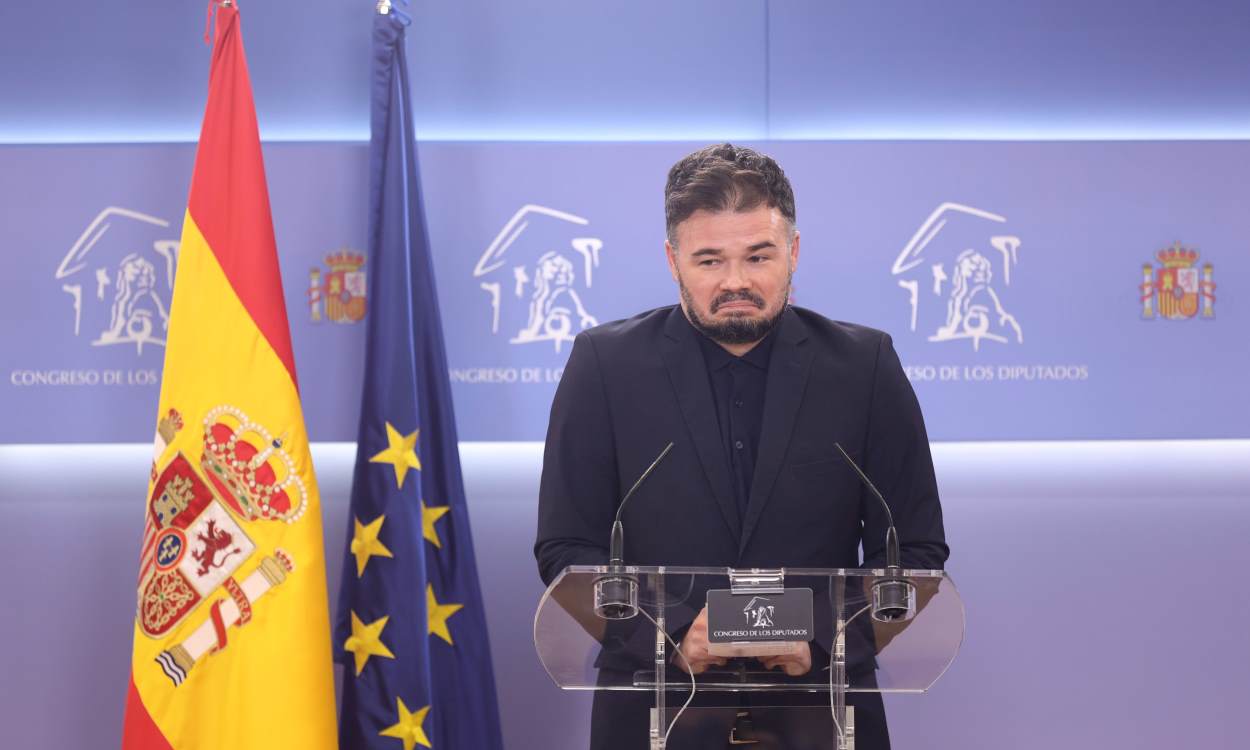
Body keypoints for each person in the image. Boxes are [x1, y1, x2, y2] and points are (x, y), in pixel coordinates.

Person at [535, 143, 949, 749]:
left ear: (795, 253)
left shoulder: (865, 367)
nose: (736, 282)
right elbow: (567, 548)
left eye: (759, 256)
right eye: (709, 260)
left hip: (823, 711)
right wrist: (673, 632)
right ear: (673, 261)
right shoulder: (604, 365)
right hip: (656, 708)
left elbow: (915, 549)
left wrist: (816, 640)